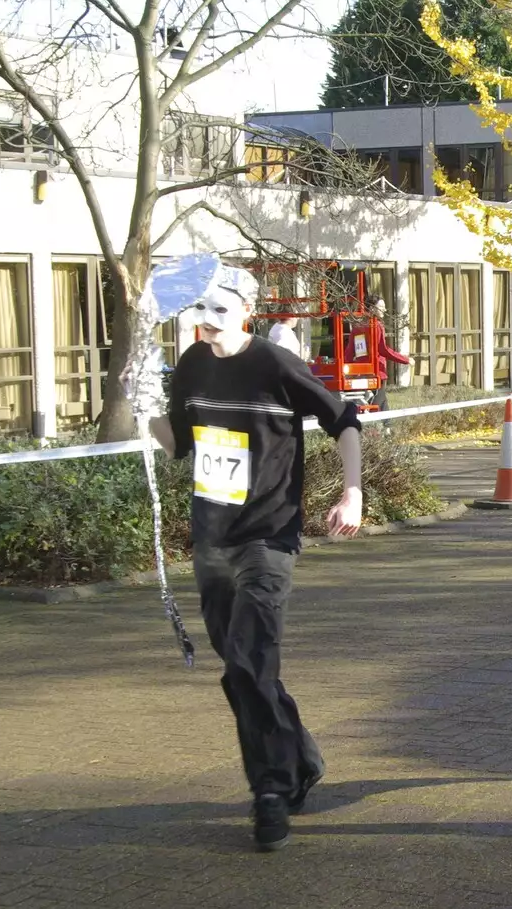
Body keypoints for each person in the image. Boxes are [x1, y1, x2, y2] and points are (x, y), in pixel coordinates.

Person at [144, 268, 366, 852]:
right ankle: (300, 757)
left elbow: (344, 421)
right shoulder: (192, 366)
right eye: (200, 313)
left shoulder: (274, 364)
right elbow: (184, 448)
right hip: (211, 539)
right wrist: (150, 414)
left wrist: (353, 492)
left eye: (219, 312)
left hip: (269, 536)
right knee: (240, 667)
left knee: (249, 657)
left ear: (245, 311)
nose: (207, 323)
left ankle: (270, 791)